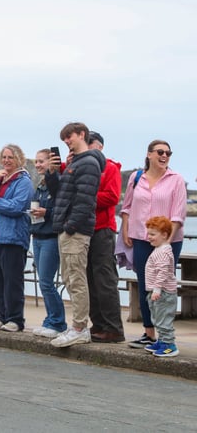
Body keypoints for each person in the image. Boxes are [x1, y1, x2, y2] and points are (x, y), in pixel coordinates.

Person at [120, 139, 187, 349]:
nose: (164, 155)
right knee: (145, 284)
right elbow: (127, 206)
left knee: (163, 287)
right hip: (141, 238)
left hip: (168, 241)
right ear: (149, 154)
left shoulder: (176, 180)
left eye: (168, 153)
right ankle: (149, 333)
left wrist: (166, 241)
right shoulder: (136, 177)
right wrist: (125, 229)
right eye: (160, 152)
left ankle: (166, 337)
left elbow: (178, 213)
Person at [48, 122, 106, 348]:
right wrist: (53, 174)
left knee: (76, 278)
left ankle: (79, 328)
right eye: (64, 139)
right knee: (69, 278)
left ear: (82, 134)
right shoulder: (76, 163)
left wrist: (70, 226)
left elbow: (85, 199)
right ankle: (78, 326)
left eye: (69, 137)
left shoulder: (88, 163)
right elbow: (59, 194)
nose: (67, 142)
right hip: (66, 227)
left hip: (75, 230)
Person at [0, 144, 33, 332]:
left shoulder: (23, 181)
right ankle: (1, 317)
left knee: (12, 280)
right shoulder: (0, 178)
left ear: (19, 159)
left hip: (12, 237)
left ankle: (15, 320)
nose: (6, 161)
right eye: (4, 157)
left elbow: (16, 207)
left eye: (10, 157)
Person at [84, 132, 125, 343]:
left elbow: (111, 197)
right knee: (90, 278)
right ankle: (98, 324)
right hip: (86, 229)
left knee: (104, 278)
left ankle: (114, 328)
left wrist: (84, 195)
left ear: (98, 147)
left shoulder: (110, 168)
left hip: (103, 229)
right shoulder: (84, 167)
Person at [29, 149, 66, 338]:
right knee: (44, 282)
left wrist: (47, 213)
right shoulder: (41, 184)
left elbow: (61, 209)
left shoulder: (57, 183)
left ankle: (57, 322)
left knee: (46, 282)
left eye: (41, 161)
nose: (37, 165)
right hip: (37, 236)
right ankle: (50, 320)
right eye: (36, 161)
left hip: (51, 237)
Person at [141, 216, 179, 357]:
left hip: (163, 292)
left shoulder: (163, 252)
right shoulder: (159, 249)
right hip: (156, 292)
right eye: (148, 233)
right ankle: (162, 341)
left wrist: (157, 289)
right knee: (157, 318)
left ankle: (169, 345)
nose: (148, 237)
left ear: (164, 235)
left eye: (152, 234)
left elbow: (163, 273)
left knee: (163, 319)